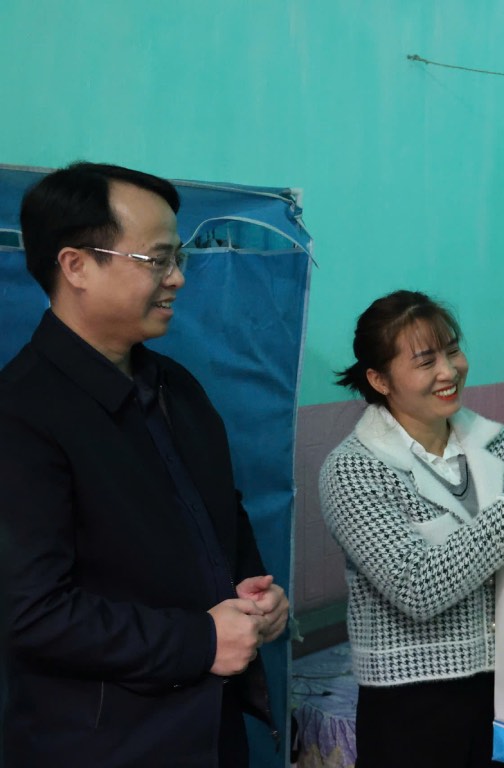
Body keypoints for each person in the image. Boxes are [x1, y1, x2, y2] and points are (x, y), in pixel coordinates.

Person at [0, 163, 288, 766]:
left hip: (209, 726)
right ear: (76, 265)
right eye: (157, 260)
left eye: (177, 257)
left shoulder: (176, 387)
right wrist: (202, 639)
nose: (178, 278)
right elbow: (35, 613)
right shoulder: (22, 414)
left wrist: (256, 591)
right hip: (106, 741)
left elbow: (220, 516)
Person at [319, 290, 504, 768]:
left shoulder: (494, 442)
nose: (449, 371)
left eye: (452, 351)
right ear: (379, 379)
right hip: (411, 707)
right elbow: (416, 585)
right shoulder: (353, 469)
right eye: (426, 360)